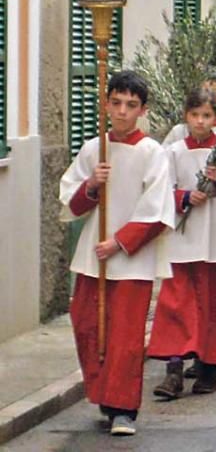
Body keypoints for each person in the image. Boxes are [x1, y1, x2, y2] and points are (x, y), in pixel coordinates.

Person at [59, 71, 174, 437]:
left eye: (131, 105)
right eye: (117, 103)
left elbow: (157, 210)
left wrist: (120, 241)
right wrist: (92, 185)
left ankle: (124, 408)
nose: (122, 112)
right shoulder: (94, 149)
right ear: (106, 103)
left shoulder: (152, 153)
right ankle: (104, 395)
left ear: (143, 109)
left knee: (124, 335)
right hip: (94, 257)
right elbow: (71, 202)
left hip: (130, 259)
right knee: (87, 324)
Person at [147, 88, 216, 397]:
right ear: (186, 116)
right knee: (177, 306)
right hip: (184, 239)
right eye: (194, 115)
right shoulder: (174, 152)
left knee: (214, 306)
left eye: (206, 115)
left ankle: (209, 367)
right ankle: (174, 369)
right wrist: (182, 197)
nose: (200, 121)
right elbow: (157, 190)